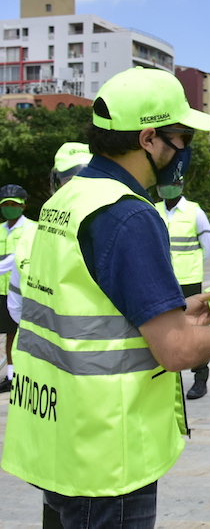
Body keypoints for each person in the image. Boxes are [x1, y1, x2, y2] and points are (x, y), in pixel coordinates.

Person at [1, 67, 210, 528]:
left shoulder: (66, 199)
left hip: (57, 435)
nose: (185, 152)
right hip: (106, 451)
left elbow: (87, 308)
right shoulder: (129, 214)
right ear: (150, 138)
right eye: (182, 139)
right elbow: (176, 352)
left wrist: (172, 311)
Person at [7, 142, 92, 529]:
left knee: (54, 479)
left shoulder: (32, 236)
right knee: (71, 479)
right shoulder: (101, 231)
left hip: (41, 378)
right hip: (85, 382)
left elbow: (17, 307)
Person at [155, 180, 210, 400]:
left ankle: (200, 379)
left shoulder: (195, 212)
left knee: (195, 329)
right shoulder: (153, 210)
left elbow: (209, 246)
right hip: (161, 280)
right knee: (160, 327)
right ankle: (163, 379)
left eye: (173, 181)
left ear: (181, 185)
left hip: (189, 279)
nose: (167, 186)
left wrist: (193, 266)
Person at [0, 184, 35, 394]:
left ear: (23, 206)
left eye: (14, 204)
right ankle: (11, 375)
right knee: (8, 333)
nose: (10, 208)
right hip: (1, 291)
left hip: (22, 291)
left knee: (20, 333)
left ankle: (20, 374)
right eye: (6, 204)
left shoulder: (32, 229)